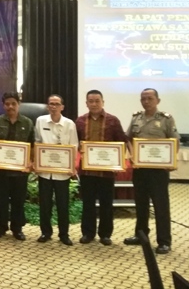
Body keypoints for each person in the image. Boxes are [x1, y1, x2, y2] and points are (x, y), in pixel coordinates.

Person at [123, 88, 179, 254]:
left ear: (157, 100)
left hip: (158, 171)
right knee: (141, 204)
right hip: (140, 169)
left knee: (161, 206)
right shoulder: (136, 118)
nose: (146, 101)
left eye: (150, 98)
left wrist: (171, 160)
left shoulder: (166, 119)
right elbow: (128, 138)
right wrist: (132, 154)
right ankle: (140, 235)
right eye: (143, 98)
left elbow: (174, 141)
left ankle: (164, 241)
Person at [75, 90, 127, 246]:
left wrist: (118, 162)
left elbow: (122, 143)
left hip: (107, 172)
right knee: (88, 204)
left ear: (103, 102)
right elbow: (75, 144)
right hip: (87, 171)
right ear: (86, 103)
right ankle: (88, 233)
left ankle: (105, 234)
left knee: (106, 204)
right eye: (91, 101)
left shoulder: (113, 121)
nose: (94, 104)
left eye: (97, 101)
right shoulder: (80, 121)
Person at [0, 92, 35, 241]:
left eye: (13, 103)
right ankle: (0, 227)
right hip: (1, 170)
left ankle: (17, 229)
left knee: (18, 201)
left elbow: (32, 145)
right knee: (0, 200)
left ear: (18, 104)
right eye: (7, 104)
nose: (10, 107)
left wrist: (31, 162)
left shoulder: (27, 123)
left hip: (20, 171)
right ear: (3, 105)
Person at [34, 94, 78, 246]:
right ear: (47, 106)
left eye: (56, 104)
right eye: (51, 104)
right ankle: (45, 232)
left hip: (62, 173)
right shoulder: (40, 121)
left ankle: (64, 234)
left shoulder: (69, 124)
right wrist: (36, 163)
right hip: (45, 172)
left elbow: (74, 146)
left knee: (63, 204)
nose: (53, 106)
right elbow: (37, 142)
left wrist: (72, 166)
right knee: (45, 204)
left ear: (62, 107)